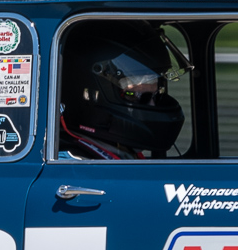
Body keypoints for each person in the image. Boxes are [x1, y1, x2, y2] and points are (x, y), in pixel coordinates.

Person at [58, 21, 186, 159]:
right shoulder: (75, 164)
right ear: (90, 94)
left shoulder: (120, 152)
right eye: (135, 95)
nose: (152, 105)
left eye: (157, 96)